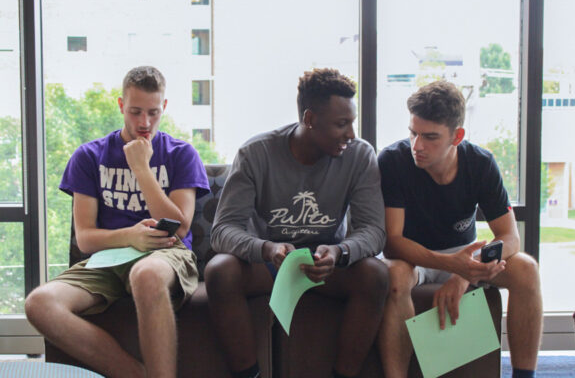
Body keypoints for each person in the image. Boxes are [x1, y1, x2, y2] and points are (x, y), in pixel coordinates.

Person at [25, 66, 210, 378]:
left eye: (153, 112)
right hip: (108, 259)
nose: (144, 123)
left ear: (164, 107)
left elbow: (180, 228)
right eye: (136, 111)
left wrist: (141, 169)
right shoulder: (89, 156)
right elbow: (85, 238)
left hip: (166, 255)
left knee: (146, 274)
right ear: (121, 105)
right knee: (39, 303)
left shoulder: (181, 154)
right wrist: (130, 237)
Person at [205, 68, 389, 378]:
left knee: (376, 275)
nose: (351, 134)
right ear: (309, 119)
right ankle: (249, 375)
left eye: (352, 122)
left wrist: (341, 252)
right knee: (219, 272)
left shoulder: (360, 155)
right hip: (271, 265)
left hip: (327, 266)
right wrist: (266, 248)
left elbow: (374, 230)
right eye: (341, 124)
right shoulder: (256, 153)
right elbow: (223, 230)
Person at [377, 80, 542, 378]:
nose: (417, 146)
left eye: (430, 137)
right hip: (413, 256)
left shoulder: (480, 163)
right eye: (413, 133)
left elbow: (509, 237)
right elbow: (393, 242)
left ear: (457, 136)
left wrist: (466, 271)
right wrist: (455, 266)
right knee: (395, 276)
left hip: (462, 254)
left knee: (527, 269)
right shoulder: (393, 161)